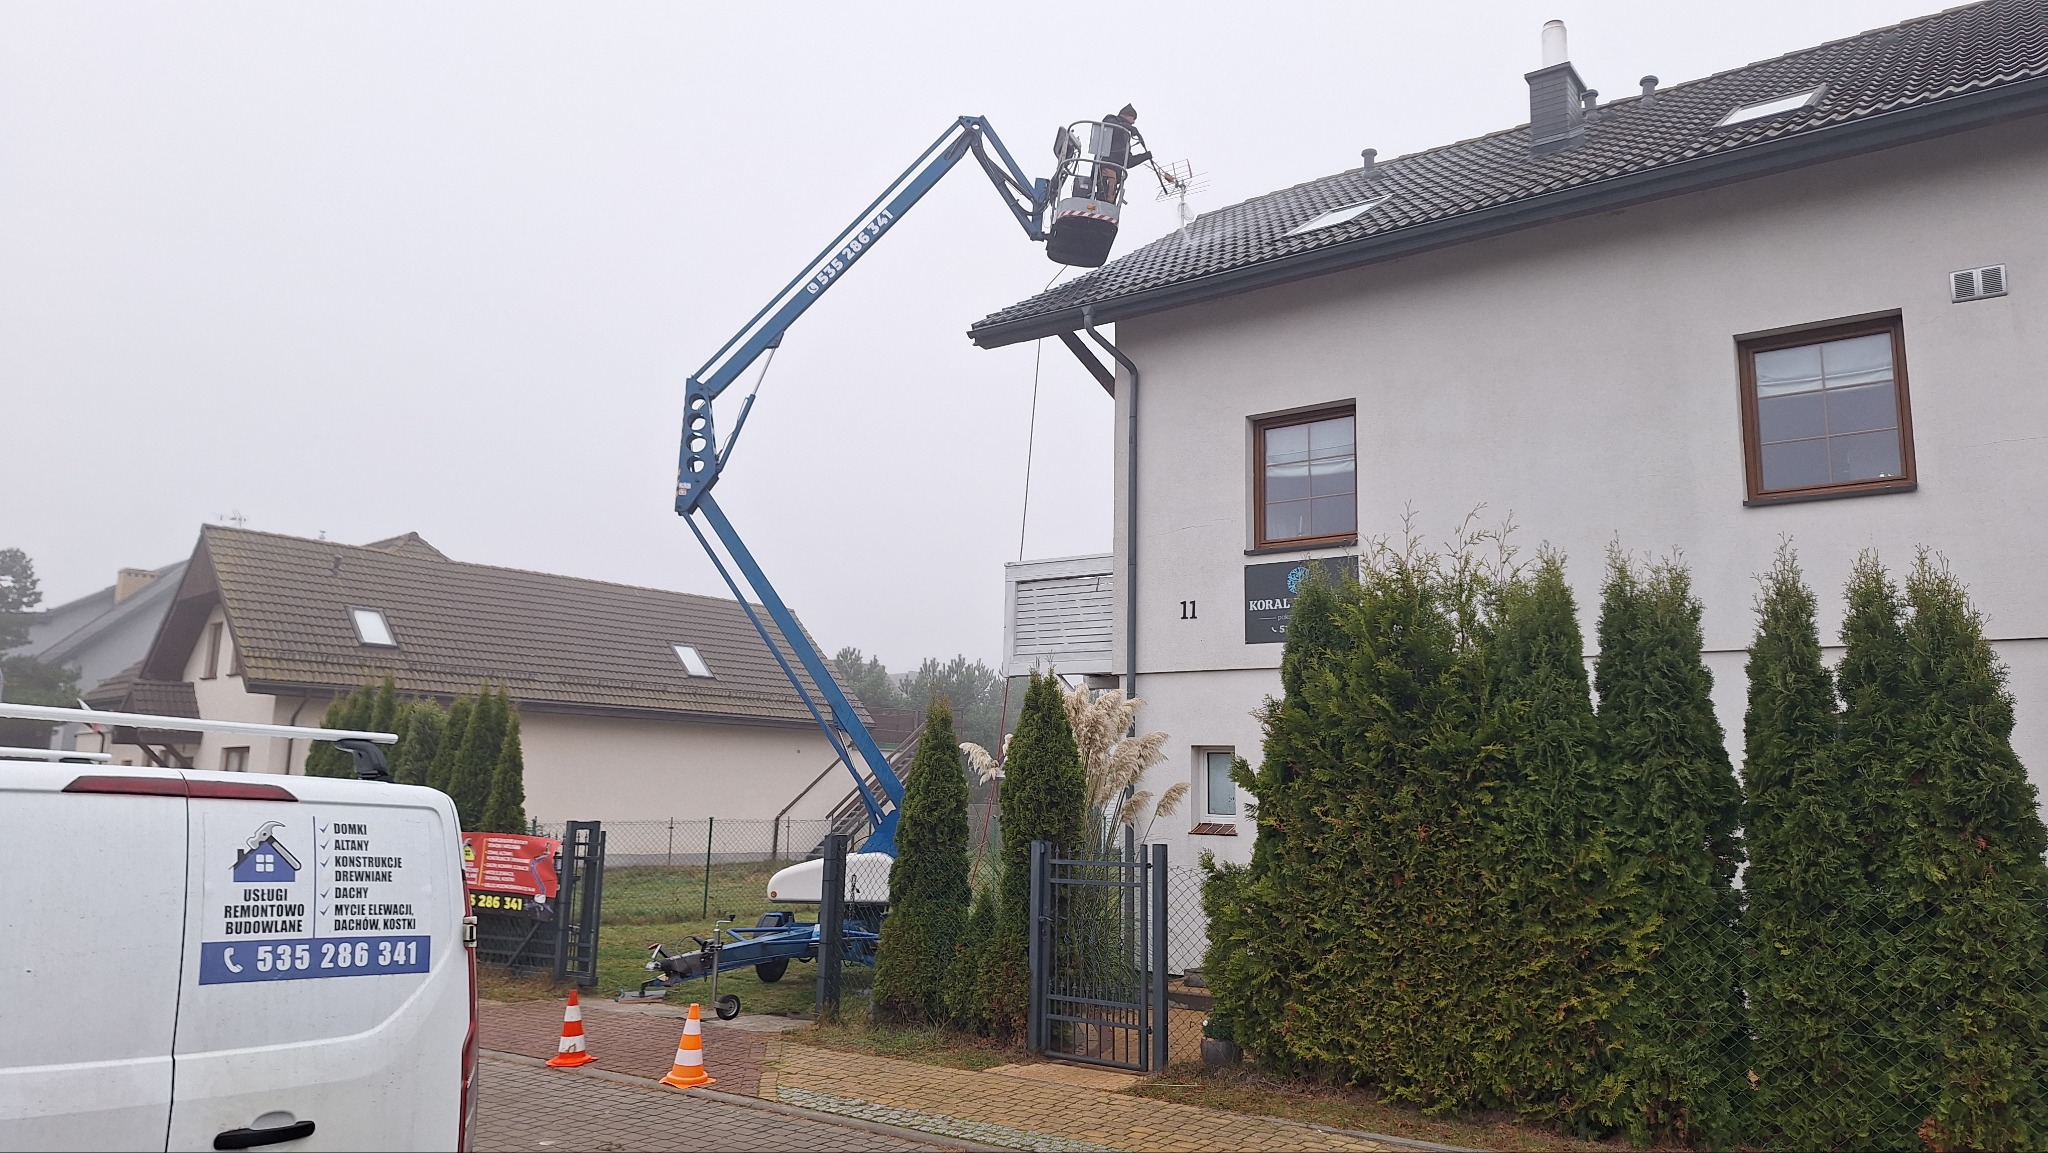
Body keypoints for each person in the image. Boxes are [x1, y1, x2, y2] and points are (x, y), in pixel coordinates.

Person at [1089, 104, 1151, 203]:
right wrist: (1129, 128)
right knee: (1105, 197)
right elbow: (1109, 124)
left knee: (1109, 199)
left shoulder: (1125, 139)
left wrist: (1145, 156)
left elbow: (1128, 162)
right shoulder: (1112, 119)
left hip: (1115, 173)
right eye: (1133, 118)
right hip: (1106, 167)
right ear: (1125, 115)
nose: (1133, 122)